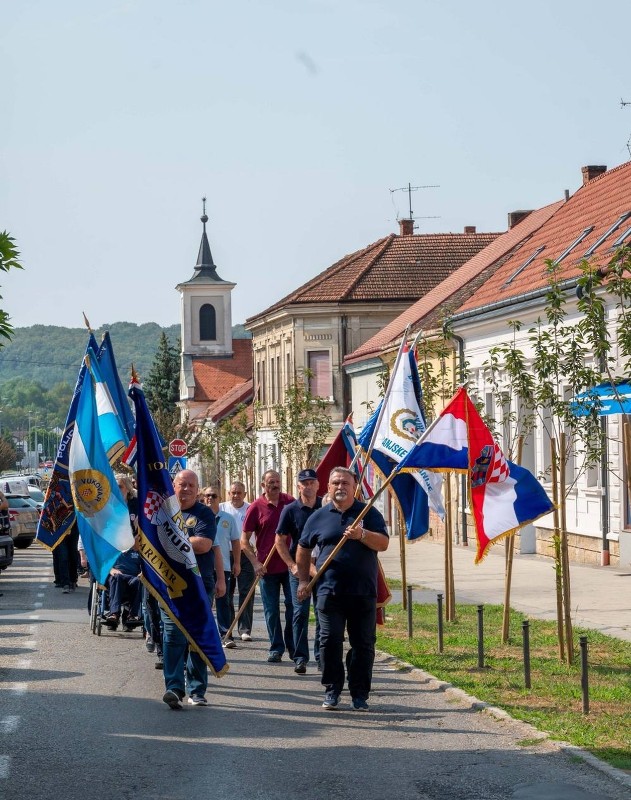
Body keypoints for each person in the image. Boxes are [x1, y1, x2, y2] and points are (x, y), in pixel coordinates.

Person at [297, 467, 389, 711]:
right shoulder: (317, 517)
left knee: (363, 645)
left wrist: (361, 535)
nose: (340, 487)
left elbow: (383, 543)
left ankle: (359, 693)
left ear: (354, 486)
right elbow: (303, 548)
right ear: (328, 487)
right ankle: (332, 689)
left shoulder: (367, 513)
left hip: (362, 592)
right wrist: (304, 581)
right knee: (329, 641)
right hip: (329, 592)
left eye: (345, 483)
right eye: (335, 482)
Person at [161, 469, 225, 710]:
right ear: (173, 486)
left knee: (196, 635)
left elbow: (204, 545)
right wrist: (184, 539)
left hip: (199, 585)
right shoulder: (162, 512)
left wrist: (170, 540)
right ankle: (174, 688)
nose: (186, 489)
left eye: (191, 485)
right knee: (172, 635)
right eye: (181, 484)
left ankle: (197, 690)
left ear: (197, 489)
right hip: (169, 583)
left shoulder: (204, 513)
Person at [241, 470, 294, 663]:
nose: (275, 485)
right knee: (271, 610)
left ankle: (293, 646)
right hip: (266, 568)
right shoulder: (256, 507)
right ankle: (276, 648)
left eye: (278, 481)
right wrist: (255, 563)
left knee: (292, 607)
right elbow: (244, 540)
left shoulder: (290, 502)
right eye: (271, 482)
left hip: (289, 565)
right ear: (263, 485)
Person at [275, 468, 322, 674]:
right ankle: (300, 657)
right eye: (304, 483)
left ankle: (321, 657)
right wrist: (291, 565)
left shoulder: (326, 506)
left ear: (318, 485)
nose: (308, 486)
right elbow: (279, 540)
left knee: (323, 614)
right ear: (299, 486)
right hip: (300, 570)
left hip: (323, 569)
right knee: (300, 613)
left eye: (312, 482)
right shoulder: (290, 510)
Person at [202, 487, 241, 648]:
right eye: (207, 496)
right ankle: (205, 634)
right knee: (204, 602)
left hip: (223, 566)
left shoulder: (228, 518)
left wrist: (237, 562)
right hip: (203, 566)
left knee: (224, 601)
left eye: (214, 495)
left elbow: (236, 542)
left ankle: (226, 634)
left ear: (220, 498)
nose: (210, 498)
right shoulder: (199, 516)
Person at [220, 482, 254, 641]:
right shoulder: (222, 508)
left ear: (244, 494)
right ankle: (229, 627)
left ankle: (245, 629)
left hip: (246, 554)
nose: (236, 495)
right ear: (228, 493)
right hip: (225, 554)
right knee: (226, 592)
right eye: (233, 492)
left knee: (246, 591)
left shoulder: (250, 508)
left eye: (239, 493)